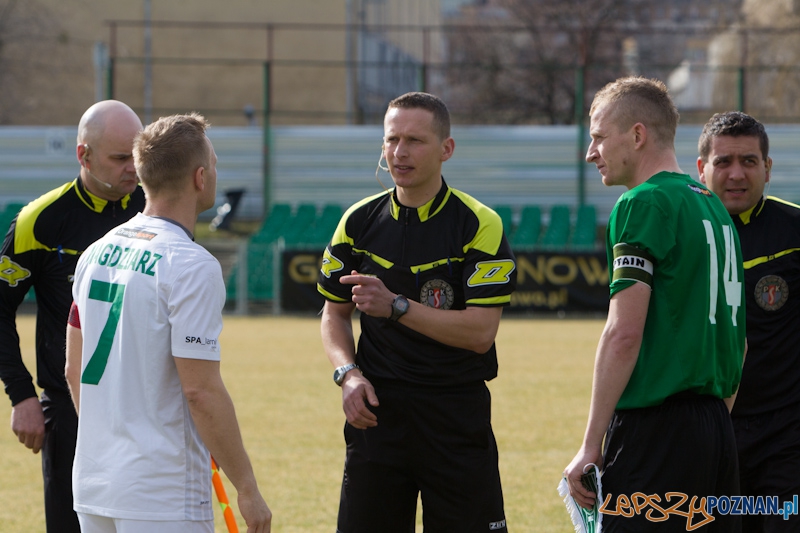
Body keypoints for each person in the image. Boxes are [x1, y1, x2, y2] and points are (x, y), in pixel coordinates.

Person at [317, 91, 516, 532]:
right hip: (376, 414)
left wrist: (396, 306)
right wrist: (348, 374)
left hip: (454, 415)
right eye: (391, 140)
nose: (399, 152)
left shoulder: (479, 223)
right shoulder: (357, 222)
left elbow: (480, 332)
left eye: (414, 140)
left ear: (446, 149)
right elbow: (333, 314)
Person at [64, 113, 271, 532]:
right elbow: (200, 390)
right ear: (200, 177)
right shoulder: (191, 264)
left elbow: (72, 369)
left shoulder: (95, 252)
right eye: (213, 165)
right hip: (161, 491)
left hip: (94, 483)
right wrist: (247, 487)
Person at [563, 77, 746, 532]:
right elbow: (739, 338)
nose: (591, 152)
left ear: (638, 135)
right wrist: (711, 420)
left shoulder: (642, 203)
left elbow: (623, 332)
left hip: (658, 432)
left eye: (599, 137)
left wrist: (591, 444)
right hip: (716, 430)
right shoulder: (714, 208)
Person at [0, 99, 146, 532]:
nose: (133, 169)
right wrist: (22, 396)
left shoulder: (154, 211)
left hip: (145, 407)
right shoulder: (38, 222)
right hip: (70, 411)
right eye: (120, 158)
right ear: (83, 155)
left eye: (137, 157)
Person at [698, 111, 800, 531]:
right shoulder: (681, 231)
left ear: (768, 168)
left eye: (749, 161)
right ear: (701, 168)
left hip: (787, 434)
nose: (736, 174)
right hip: (707, 431)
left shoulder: (794, 229)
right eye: (723, 162)